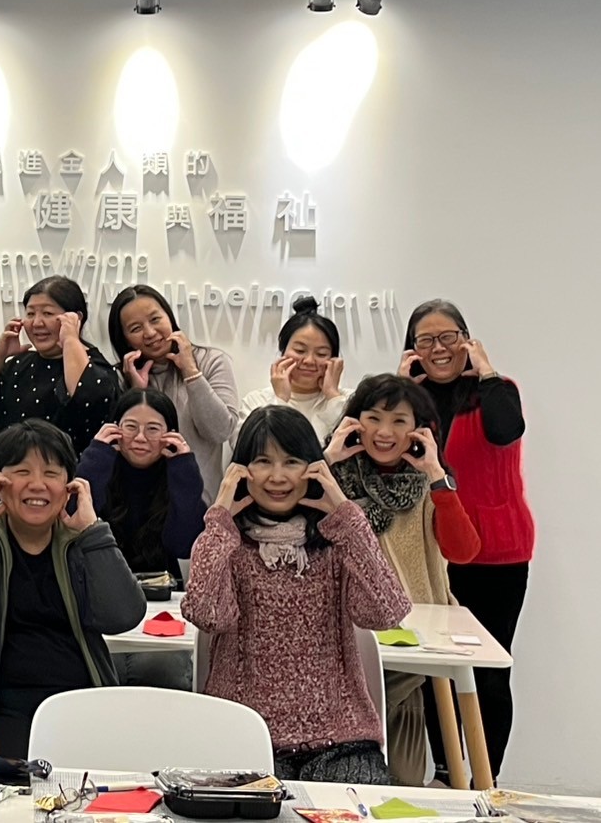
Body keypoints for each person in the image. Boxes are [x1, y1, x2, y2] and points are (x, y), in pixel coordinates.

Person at [183, 406, 411, 784]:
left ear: (314, 468)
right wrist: (219, 518)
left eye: (291, 461)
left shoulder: (339, 541)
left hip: (340, 740)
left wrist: (348, 517)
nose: (277, 477)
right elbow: (205, 613)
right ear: (241, 470)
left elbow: (386, 612)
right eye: (262, 461)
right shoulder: (226, 543)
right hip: (244, 736)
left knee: (356, 804)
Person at [0, 419, 146, 756]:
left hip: (80, 706)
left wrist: (93, 531)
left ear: (69, 486)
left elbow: (123, 615)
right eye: (22, 472)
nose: (37, 485)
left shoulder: (81, 544)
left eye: (51, 473)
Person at [400, 299, 531, 779]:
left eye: (448, 337)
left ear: (467, 340)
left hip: (498, 552)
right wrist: (400, 388)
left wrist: (487, 370)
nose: (438, 348)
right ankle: (445, 771)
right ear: (412, 349)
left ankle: (484, 779)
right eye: (426, 340)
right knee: (434, 671)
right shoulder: (411, 402)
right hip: (431, 554)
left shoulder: (498, 391)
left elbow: (505, 430)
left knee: (488, 673)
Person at [327, 375, 480, 786]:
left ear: (419, 430)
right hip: (342, 633)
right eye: (374, 418)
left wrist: (435, 474)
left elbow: (463, 551)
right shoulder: (330, 479)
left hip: (411, 638)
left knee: (407, 779)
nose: (384, 432)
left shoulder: (430, 482)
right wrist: (327, 460)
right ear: (354, 422)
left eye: (399, 421)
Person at [108, 285, 238, 506]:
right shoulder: (121, 375)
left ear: (169, 317)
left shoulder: (211, 361)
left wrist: (191, 373)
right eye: (136, 328)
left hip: (201, 502)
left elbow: (220, 431)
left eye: (155, 319)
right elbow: (123, 447)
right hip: (140, 505)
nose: (150, 332)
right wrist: (138, 394)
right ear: (125, 339)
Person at [0, 276, 122, 451]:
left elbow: (87, 397)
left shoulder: (98, 368)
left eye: (47, 313)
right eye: (30, 314)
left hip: (70, 468)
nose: (37, 323)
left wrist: (70, 339)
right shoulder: (17, 364)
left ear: (75, 318)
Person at [78, 389, 206, 576]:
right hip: (98, 580)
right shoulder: (98, 466)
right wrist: (96, 455)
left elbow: (183, 545)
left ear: (170, 435)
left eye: (152, 429)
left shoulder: (180, 474)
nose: (140, 438)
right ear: (115, 428)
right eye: (131, 427)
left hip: (161, 584)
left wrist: (184, 468)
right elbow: (73, 529)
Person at [237, 297, 350, 447]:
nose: (309, 360)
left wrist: (332, 395)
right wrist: (280, 400)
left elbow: (352, 446)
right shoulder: (257, 402)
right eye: (300, 350)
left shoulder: (348, 401)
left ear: (334, 359)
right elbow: (249, 450)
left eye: (321, 353)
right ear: (283, 351)